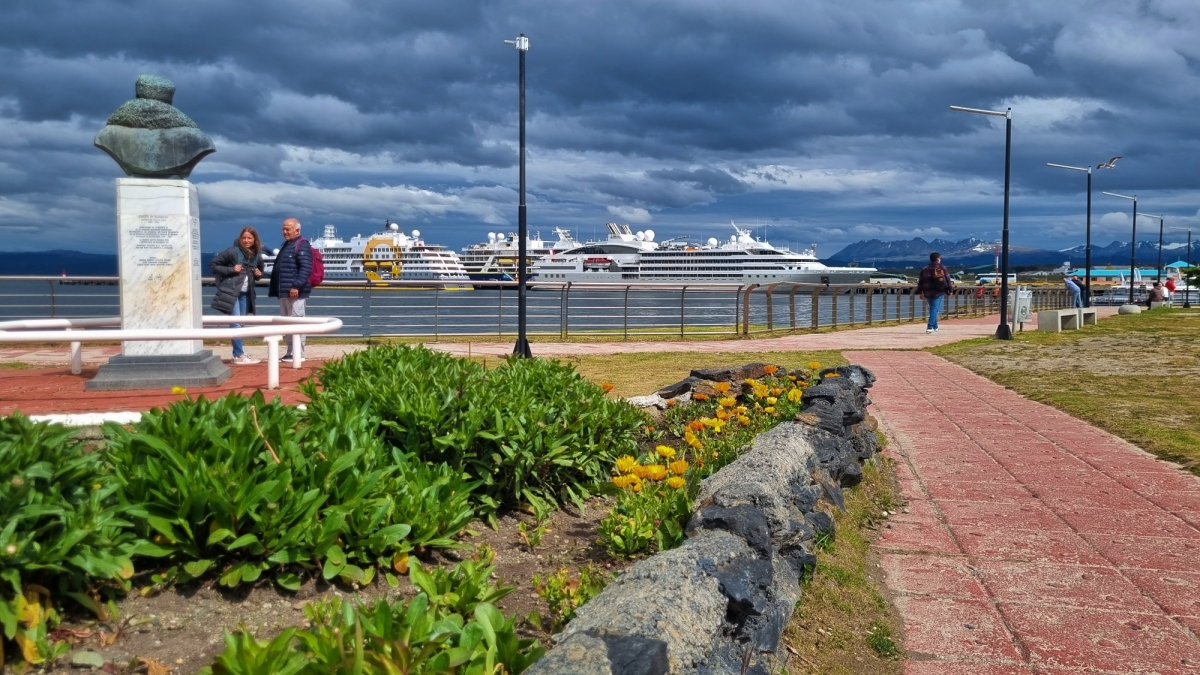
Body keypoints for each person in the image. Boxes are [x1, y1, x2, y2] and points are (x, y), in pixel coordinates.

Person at [210, 228, 266, 364]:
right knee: (235, 322)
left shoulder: (257, 255)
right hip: (231, 292)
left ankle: (239, 353)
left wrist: (259, 274)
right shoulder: (232, 251)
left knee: (241, 323)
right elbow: (213, 264)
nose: (246, 240)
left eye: (249, 238)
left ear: (255, 240)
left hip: (246, 293)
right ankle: (238, 355)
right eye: (244, 238)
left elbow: (260, 272)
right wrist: (231, 269)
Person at [268, 217, 313, 362]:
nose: (285, 232)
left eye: (288, 229)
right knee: (287, 323)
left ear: (297, 230)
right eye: (283, 229)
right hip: (284, 291)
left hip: (295, 292)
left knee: (297, 322)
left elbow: (306, 268)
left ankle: (298, 353)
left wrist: (296, 285)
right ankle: (290, 352)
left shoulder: (302, 244)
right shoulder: (287, 245)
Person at [916, 252, 953, 334]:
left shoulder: (924, 269)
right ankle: (930, 327)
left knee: (932, 309)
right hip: (938, 291)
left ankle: (935, 327)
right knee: (934, 309)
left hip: (927, 291)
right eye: (940, 258)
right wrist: (950, 290)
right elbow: (948, 279)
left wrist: (920, 292)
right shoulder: (942, 267)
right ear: (937, 259)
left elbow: (920, 282)